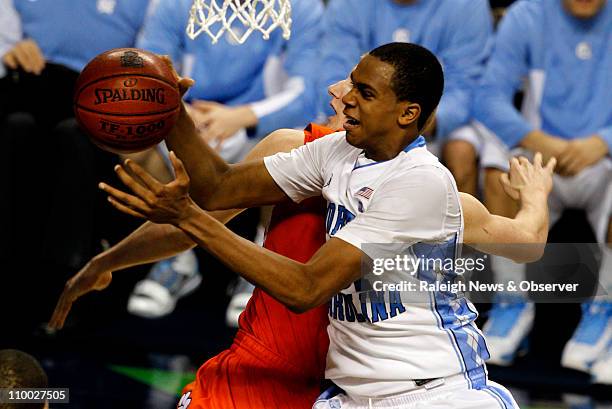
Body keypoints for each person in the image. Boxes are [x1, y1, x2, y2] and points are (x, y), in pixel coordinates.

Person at [53, 43, 555, 408]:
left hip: (434, 392)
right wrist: (172, 111)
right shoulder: (328, 152)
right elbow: (218, 190)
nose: (342, 94)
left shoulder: (423, 186)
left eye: (363, 89)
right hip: (347, 393)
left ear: (407, 113)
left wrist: (535, 199)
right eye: (349, 82)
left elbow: (306, 286)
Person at [125, 0, 325, 319]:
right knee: (132, 138)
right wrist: (181, 114)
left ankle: (261, 267)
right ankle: (176, 259)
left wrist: (240, 117)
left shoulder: (300, 8)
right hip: (194, 116)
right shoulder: (173, 6)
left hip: (257, 123)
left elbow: (305, 94)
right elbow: (144, 71)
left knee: (291, 147)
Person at [472, 0, 612, 379]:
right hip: (540, 155)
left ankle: (605, 309)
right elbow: (488, 97)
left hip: (602, 160)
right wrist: (540, 141)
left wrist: (601, 141)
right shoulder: (526, 15)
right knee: (498, 160)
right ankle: (511, 303)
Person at [317, 0, 493, 197]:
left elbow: (465, 88)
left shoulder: (467, 5)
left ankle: (457, 224)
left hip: (431, 120)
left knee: (461, 151)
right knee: (322, 137)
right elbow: (333, 76)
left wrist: (409, 122)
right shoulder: (347, 5)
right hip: (363, 112)